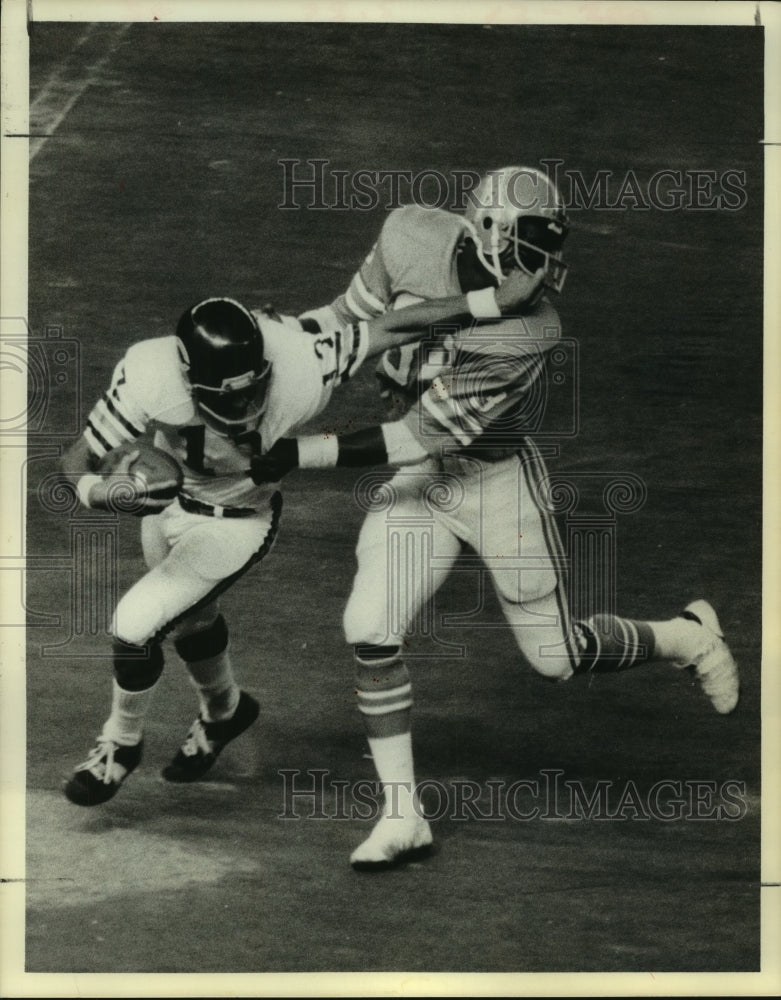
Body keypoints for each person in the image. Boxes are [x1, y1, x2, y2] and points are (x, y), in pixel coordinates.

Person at [253, 164, 740, 870]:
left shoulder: (532, 330)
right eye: (527, 245)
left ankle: (685, 636)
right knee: (368, 625)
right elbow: (347, 319)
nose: (540, 266)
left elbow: (417, 435)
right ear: (484, 230)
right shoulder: (407, 234)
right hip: (423, 480)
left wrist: (294, 454)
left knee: (556, 658)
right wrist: (284, 347)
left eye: (548, 247)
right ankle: (402, 816)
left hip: (492, 480)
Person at [58, 277, 539, 806]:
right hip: (171, 507)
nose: (245, 403)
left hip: (236, 521)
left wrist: (494, 300)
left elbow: (393, 325)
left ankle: (120, 745)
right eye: (229, 394)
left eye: (252, 388)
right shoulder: (150, 374)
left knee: (134, 627)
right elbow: (76, 460)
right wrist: (101, 493)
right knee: (192, 621)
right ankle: (226, 711)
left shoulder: (302, 362)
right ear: (190, 379)